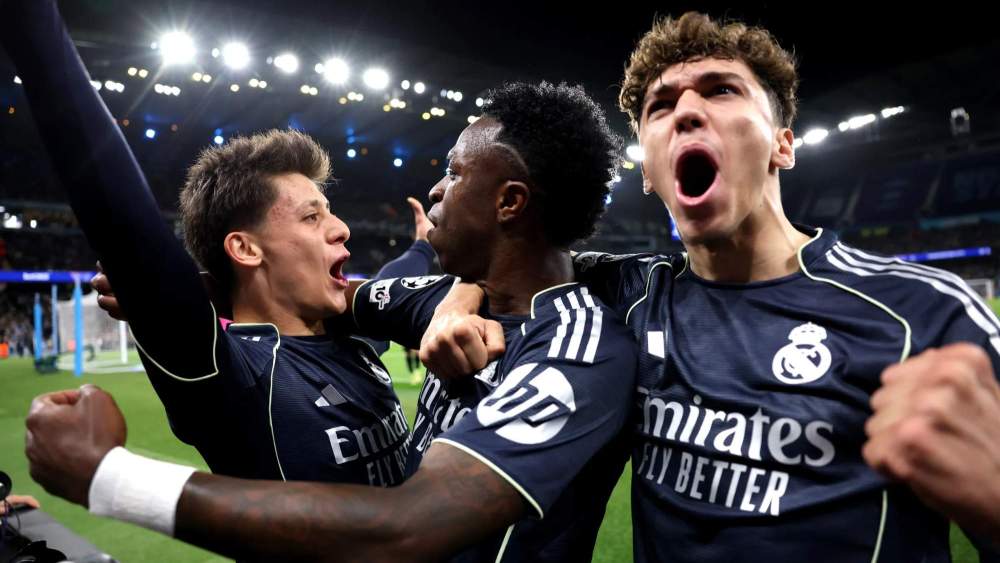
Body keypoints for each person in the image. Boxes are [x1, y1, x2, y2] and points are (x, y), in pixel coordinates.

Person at [1, 0, 436, 487]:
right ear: (246, 249)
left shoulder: (351, 335)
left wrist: (422, 246)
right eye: (312, 216)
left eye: (330, 212)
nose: (341, 229)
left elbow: (389, 282)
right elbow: (119, 212)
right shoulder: (231, 375)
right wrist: (35, 23)